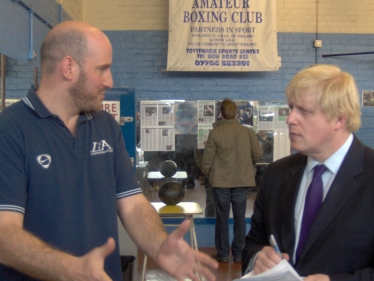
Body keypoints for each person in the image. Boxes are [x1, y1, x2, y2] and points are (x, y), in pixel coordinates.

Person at [0, 20, 218, 281]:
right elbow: (4, 234)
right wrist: (69, 269)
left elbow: (133, 204)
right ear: (69, 67)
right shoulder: (10, 130)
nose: (110, 81)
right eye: (102, 69)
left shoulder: (105, 126)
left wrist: (159, 245)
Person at [242, 64, 374, 281]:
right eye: (291, 107)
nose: (290, 119)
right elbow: (253, 243)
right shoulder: (277, 175)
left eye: (303, 111)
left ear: (339, 119)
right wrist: (257, 257)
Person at [202, 98, 263, 263]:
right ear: (237, 113)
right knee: (240, 218)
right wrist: (246, 165)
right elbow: (258, 154)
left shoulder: (215, 132)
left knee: (222, 218)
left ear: (221, 113)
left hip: (221, 182)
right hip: (242, 181)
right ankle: (238, 254)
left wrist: (207, 173)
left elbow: (207, 159)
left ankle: (222, 254)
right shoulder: (247, 132)